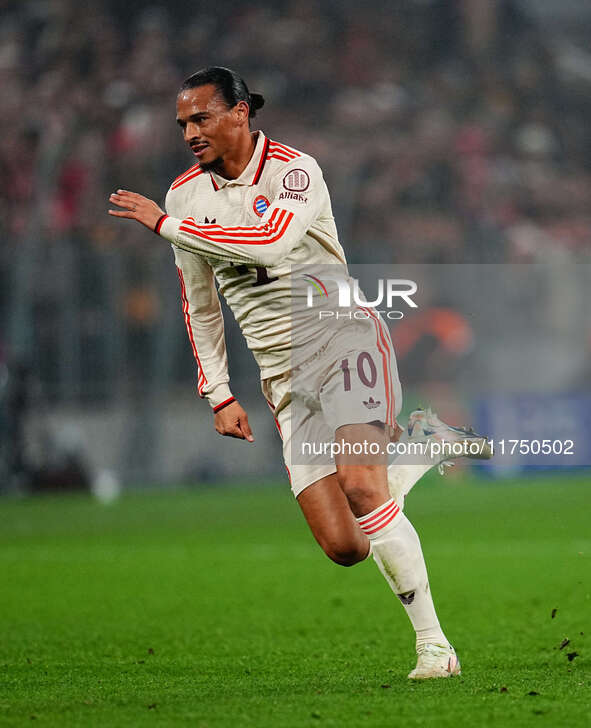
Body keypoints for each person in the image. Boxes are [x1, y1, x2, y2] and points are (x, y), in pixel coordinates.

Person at [108, 66, 490, 679]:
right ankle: (421, 449)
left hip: (344, 338)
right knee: (346, 546)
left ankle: (435, 648)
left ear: (240, 113)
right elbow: (200, 302)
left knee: (363, 486)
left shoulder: (293, 170)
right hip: (282, 374)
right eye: (182, 123)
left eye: (201, 118)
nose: (190, 133)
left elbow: (268, 245)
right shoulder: (185, 195)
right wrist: (219, 391)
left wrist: (162, 225)